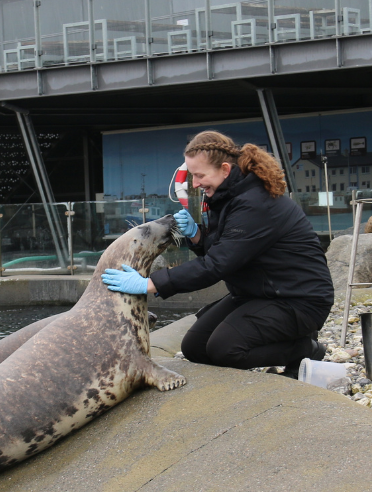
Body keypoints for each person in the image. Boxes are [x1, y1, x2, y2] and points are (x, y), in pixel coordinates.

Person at [102, 130, 333, 374]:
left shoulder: (255, 203)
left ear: (224, 169)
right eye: (192, 175)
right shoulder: (228, 196)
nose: (195, 183)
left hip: (298, 299)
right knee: (195, 348)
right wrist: (198, 237)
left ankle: (306, 349)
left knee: (225, 349)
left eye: (200, 175)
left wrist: (151, 284)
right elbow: (230, 248)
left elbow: (217, 264)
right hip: (259, 293)